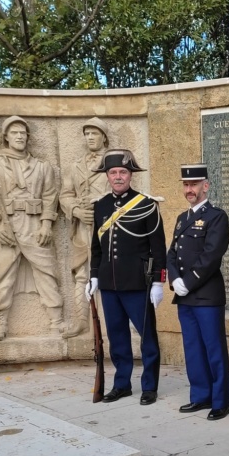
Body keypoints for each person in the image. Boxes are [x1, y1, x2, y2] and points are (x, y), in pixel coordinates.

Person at [86, 150, 167, 405]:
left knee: (148, 337)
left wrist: (157, 281)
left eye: (123, 172)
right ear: (107, 176)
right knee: (117, 336)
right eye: (113, 173)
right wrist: (94, 277)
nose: (118, 177)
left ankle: (149, 386)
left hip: (137, 283)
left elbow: (158, 247)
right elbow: (96, 247)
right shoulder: (100, 206)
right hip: (110, 285)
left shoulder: (145, 204)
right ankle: (122, 384)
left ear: (130, 175)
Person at [0, 115, 66, 340]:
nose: (19, 136)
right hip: (6, 227)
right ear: (6, 137)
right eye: (14, 133)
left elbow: (50, 196)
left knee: (47, 271)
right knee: (2, 274)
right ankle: (1, 323)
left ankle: (57, 320)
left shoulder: (41, 167)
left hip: (34, 224)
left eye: (22, 133)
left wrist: (47, 224)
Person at [168, 164, 229, 420]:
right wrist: (174, 280)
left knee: (213, 349)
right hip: (185, 296)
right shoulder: (182, 219)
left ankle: (221, 401)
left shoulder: (217, 216)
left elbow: (211, 256)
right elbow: (171, 253)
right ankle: (200, 396)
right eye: (186, 185)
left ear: (206, 186)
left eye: (194, 184)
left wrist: (188, 281)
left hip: (206, 295)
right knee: (193, 349)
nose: (189, 189)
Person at [60, 117, 111, 336]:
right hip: (83, 226)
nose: (90, 137)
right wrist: (77, 211)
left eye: (95, 133)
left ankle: (110, 322)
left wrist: (100, 209)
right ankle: (81, 319)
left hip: (108, 226)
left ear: (104, 137)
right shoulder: (75, 166)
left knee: (110, 270)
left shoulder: (114, 162)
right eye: (87, 134)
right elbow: (65, 194)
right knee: (82, 273)